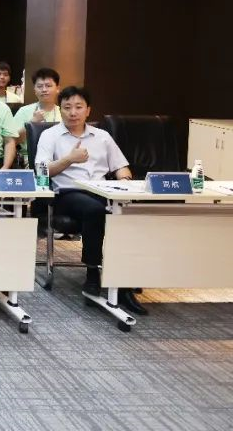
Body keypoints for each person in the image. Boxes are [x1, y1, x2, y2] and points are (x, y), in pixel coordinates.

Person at [33, 86, 141, 314]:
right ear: (60, 110)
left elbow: (121, 167)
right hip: (67, 194)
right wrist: (69, 159)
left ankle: (123, 281)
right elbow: (42, 172)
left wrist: (125, 182)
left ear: (88, 110)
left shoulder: (102, 137)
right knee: (95, 211)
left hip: (104, 191)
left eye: (78, 107)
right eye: (67, 107)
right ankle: (93, 272)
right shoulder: (50, 135)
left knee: (128, 214)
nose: (73, 112)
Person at [13, 67, 62, 165]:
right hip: (29, 161)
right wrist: (32, 123)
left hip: (59, 160)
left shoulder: (63, 112)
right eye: (39, 86)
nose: (44, 90)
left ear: (57, 89)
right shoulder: (24, 111)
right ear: (35, 90)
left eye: (48, 86)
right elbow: (12, 141)